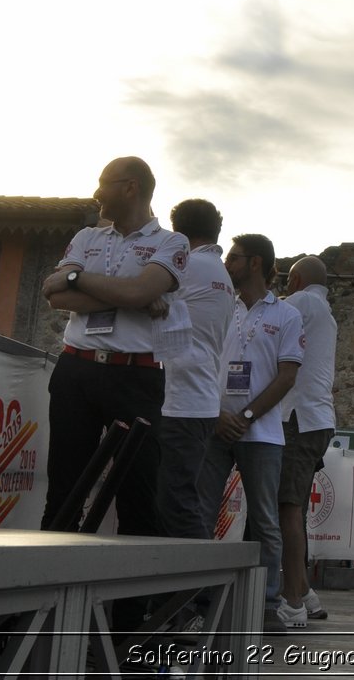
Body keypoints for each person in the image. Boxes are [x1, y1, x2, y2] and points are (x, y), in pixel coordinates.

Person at [41, 157, 189, 539]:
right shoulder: (88, 238)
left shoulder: (171, 242)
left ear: (130, 187)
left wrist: (81, 281)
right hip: (76, 370)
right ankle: (49, 593)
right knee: (63, 490)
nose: (96, 192)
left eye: (104, 182)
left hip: (134, 377)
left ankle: (132, 601)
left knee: (138, 496)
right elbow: (54, 295)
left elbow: (140, 289)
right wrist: (130, 295)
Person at [198, 234, 304, 632]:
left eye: (234, 257)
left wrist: (244, 414)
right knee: (201, 514)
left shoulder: (287, 315)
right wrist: (217, 413)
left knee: (265, 520)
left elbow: (287, 376)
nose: (227, 262)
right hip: (215, 425)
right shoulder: (221, 305)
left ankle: (266, 604)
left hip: (262, 433)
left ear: (255, 263)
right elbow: (203, 360)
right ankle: (201, 602)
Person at [154, 199, 238, 544]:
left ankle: (191, 593)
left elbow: (140, 291)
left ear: (178, 232)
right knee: (183, 499)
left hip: (182, 401)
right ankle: (190, 593)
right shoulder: (220, 273)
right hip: (199, 401)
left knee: (176, 502)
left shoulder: (187, 264)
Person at [278, 255, 339, 624]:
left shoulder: (302, 302)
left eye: (286, 280)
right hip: (313, 419)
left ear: (296, 279)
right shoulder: (323, 310)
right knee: (293, 506)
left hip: (298, 419)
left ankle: (293, 604)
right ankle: (302, 591)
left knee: (287, 507)